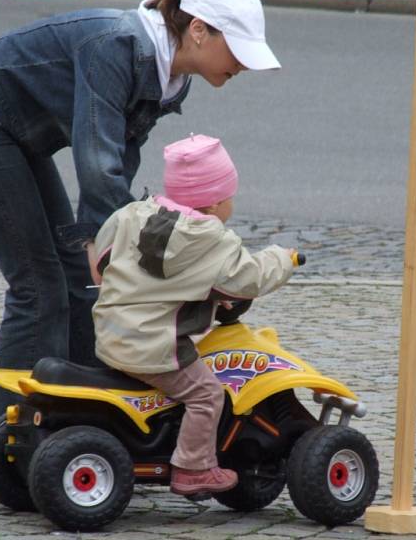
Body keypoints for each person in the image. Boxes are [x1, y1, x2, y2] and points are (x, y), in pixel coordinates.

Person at [0, 0, 281, 498]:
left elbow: (122, 153)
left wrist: (115, 240)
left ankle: (81, 435)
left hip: (19, 133)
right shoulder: (119, 46)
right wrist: (106, 239)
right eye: (238, 49)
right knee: (37, 288)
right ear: (201, 31)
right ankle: (5, 465)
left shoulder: (170, 74)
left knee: (76, 281)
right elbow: (97, 159)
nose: (246, 64)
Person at [91, 134, 295, 496]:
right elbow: (247, 279)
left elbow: (102, 258)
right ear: (216, 202)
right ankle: (193, 468)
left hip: (110, 334)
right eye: (230, 197)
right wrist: (283, 259)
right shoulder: (209, 239)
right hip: (153, 348)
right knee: (206, 394)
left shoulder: (133, 214)